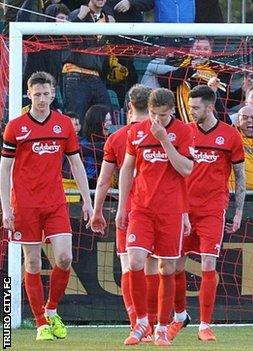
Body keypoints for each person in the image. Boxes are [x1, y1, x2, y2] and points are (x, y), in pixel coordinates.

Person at [0, 71, 93, 341]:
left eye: (46, 93)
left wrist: (87, 201)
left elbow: (75, 163)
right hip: (25, 204)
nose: (42, 99)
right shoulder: (15, 127)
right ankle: (40, 323)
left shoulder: (63, 125)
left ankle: (51, 309)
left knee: (65, 257)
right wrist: (6, 208)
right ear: (29, 94)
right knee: (32, 260)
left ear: (53, 93)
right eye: (37, 94)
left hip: (55, 202)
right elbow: (4, 169)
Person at [168, 85, 246, 342]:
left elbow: (240, 176)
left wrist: (238, 211)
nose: (191, 112)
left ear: (210, 107)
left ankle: (204, 325)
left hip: (213, 209)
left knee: (209, 264)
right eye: (190, 108)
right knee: (174, 266)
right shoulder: (184, 132)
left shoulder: (231, 136)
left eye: (196, 108)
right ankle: (180, 316)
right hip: (183, 211)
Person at [116, 88, 194, 346]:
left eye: (161, 115)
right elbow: (127, 169)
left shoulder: (183, 132)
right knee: (136, 262)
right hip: (140, 208)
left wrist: (164, 140)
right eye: (152, 114)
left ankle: (162, 327)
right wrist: (121, 208)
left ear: (171, 110)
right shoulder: (136, 132)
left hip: (170, 210)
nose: (156, 120)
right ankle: (141, 323)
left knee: (167, 267)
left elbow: (186, 169)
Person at [90, 84, 153, 330]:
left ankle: (136, 322)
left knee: (129, 266)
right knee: (154, 266)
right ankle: (155, 322)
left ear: (128, 107)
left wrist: (96, 212)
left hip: (127, 209)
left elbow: (104, 181)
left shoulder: (116, 137)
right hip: (157, 208)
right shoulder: (162, 133)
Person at [63, 0, 114, 120]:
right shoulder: (77, 14)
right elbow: (65, 37)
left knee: (107, 115)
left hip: (95, 75)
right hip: (75, 74)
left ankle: (102, 139)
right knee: (76, 118)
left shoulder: (106, 19)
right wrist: (80, 17)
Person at [80, 104, 112, 188]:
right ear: (97, 122)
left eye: (110, 120)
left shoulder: (111, 139)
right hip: (89, 187)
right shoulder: (83, 143)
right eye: (106, 120)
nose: (110, 123)